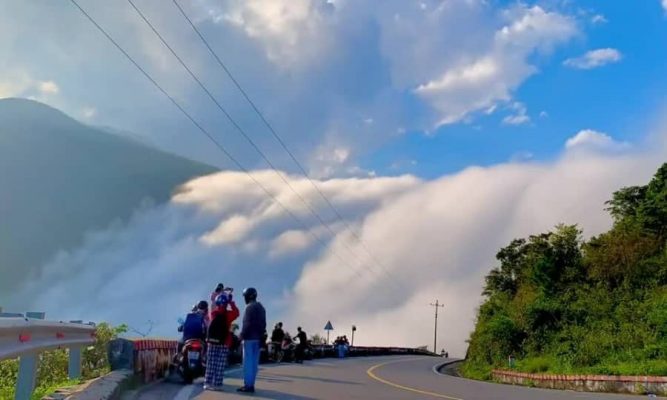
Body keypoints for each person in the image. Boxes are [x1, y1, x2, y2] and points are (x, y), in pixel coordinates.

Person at [204, 294, 240, 391]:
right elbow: (237, 313)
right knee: (220, 364)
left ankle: (207, 383)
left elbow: (212, 305)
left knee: (211, 363)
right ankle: (217, 384)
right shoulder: (228, 315)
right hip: (224, 342)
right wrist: (231, 302)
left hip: (212, 342)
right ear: (226, 303)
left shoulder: (213, 313)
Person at [237, 287, 266, 394]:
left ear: (248, 296)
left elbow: (247, 324)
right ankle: (251, 384)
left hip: (249, 339)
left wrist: (241, 335)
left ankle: (248, 386)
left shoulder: (249, 307)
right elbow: (264, 324)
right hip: (258, 339)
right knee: (254, 364)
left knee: (248, 364)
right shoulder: (261, 308)